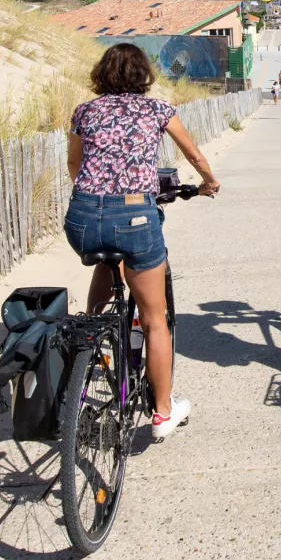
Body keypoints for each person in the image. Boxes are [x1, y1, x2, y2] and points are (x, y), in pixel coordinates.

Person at [65, 44, 221, 439]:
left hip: (82, 217)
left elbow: (74, 164)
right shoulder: (157, 110)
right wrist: (209, 182)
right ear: (143, 75)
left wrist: (97, 199)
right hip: (134, 215)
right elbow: (194, 155)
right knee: (155, 319)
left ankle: (95, 341)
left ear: (102, 73)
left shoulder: (84, 111)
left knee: (105, 262)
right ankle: (163, 412)